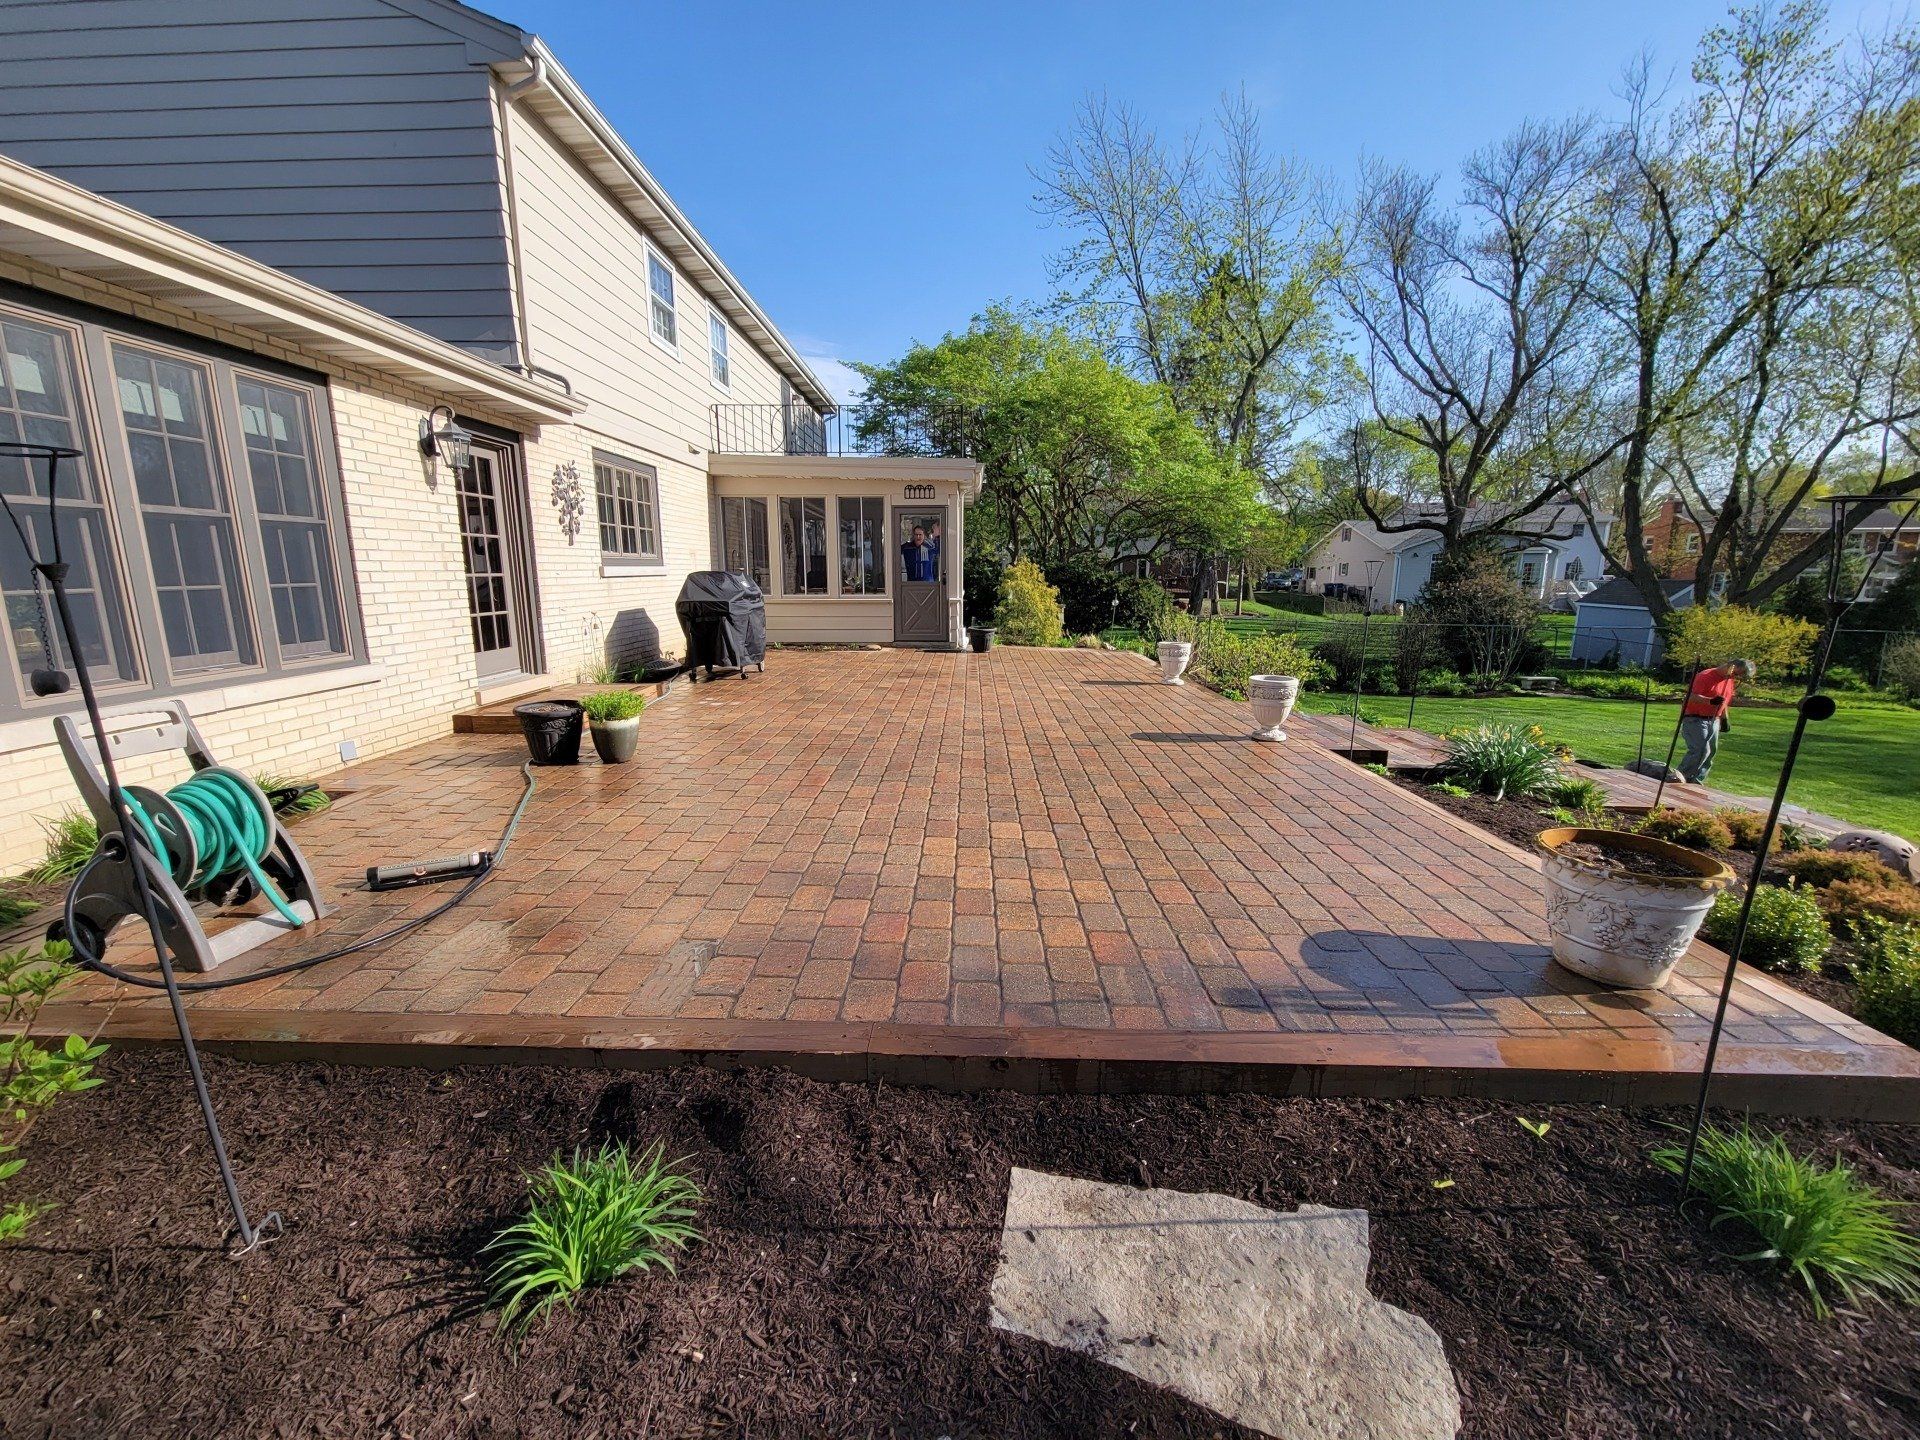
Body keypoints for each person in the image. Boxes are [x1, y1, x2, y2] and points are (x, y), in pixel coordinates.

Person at [1678, 658, 1756, 784]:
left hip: (1714, 719)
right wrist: (1710, 701)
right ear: (1731, 666)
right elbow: (1690, 696)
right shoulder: (1705, 676)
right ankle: (1680, 777)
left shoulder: (1728, 680)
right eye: (1737, 673)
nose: (1736, 677)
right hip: (1696, 718)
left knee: (1710, 752)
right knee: (1701, 750)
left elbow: (1724, 701)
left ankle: (1697, 780)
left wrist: (1725, 719)